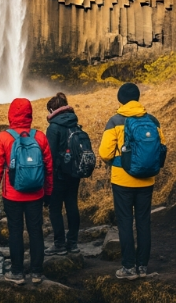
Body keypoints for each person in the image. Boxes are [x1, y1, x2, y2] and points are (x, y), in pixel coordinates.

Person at [98, 83, 165, 280]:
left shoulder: (115, 121)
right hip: (147, 181)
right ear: (138, 98)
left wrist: (119, 161)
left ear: (120, 99)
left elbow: (104, 153)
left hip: (122, 181)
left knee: (125, 222)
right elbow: (160, 149)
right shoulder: (152, 120)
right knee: (144, 222)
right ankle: (143, 267)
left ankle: (128, 268)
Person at [0, 98, 53, 285]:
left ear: (10, 114)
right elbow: (49, 168)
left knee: (15, 232)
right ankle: (37, 272)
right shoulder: (39, 136)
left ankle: (16, 272)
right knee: (35, 232)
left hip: (12, 194)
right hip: (36, 194)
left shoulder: (3, 138)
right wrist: (48, 193)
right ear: (30, 114)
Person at [44, 93, 82, 256]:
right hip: (75, 172)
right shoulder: (75, 123)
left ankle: (59, 243)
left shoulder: (53, 127)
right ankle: (72, 243)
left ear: (53, 109)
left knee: (55, 209)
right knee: (72, 205)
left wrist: (47, 177)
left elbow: (49, 155)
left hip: (58, 174)